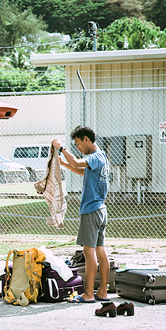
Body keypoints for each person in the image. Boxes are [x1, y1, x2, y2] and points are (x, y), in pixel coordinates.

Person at [53, 126, 111, 304]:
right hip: (100, 210)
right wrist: (64, 164)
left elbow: (78, 163)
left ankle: (88, 294)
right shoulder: (100, 158)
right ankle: (102, 292)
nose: (77, 147)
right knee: (100, 250)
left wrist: (62, 148)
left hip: (91, 210)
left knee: (88, 251)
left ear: (86, 139)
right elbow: (81, 170)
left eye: (78, 143)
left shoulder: (94, 156)